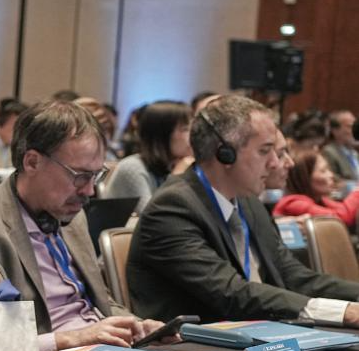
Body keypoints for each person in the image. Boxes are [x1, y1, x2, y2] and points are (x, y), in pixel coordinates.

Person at [0, 100, 164, 351]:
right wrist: (71, 339)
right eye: (79, 175)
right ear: (32, 162)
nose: (89, 191)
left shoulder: (73, 216)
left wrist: (138, 327)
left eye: (95, 176)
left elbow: (99, 303)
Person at [127, 95, 359, 323]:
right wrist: (341, 312)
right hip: (202, 340)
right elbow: (231, 293)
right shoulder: (171, 209)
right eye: (264, 151)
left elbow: (293, 276)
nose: (275, 163)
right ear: (224, 154)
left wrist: (352, 302)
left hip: (259, 332)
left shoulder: (248, 202)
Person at [103, 100, 192, 213]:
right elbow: (155, 217)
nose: (192, 135)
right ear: (162, 134)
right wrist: (177, 177)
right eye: (185, 129)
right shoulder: (133, 167)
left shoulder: (175, 166)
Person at [274, 150, 359, 227]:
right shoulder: (293, 204)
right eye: (323, 171)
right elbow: (341, 219)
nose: (331, 175)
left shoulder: (320, 200)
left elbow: (344, 210)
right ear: (305, 178)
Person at [321, 110, 359, 181]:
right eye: (350, 126)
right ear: (335, 131)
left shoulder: (354, 153)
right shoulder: (329, 152)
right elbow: (332, 180)